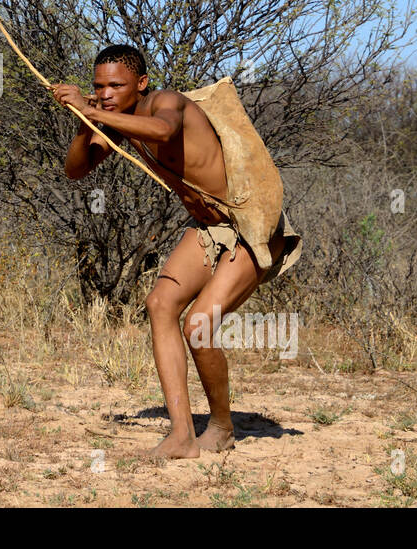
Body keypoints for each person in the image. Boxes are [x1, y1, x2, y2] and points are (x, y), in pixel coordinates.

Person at [53, 44, 299, 458]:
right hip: (208, 228)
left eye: (116, 84)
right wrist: (83, 121)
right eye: (99, 86)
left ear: (142, 83)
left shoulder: (167, 102)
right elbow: (77, 169)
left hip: (249, 226)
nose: (107, 93)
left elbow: (165, 131)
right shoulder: (119, 119)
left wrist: (92, 110)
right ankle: (181, 435)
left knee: (198, 325)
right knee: (160, 304)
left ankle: (221, 428)